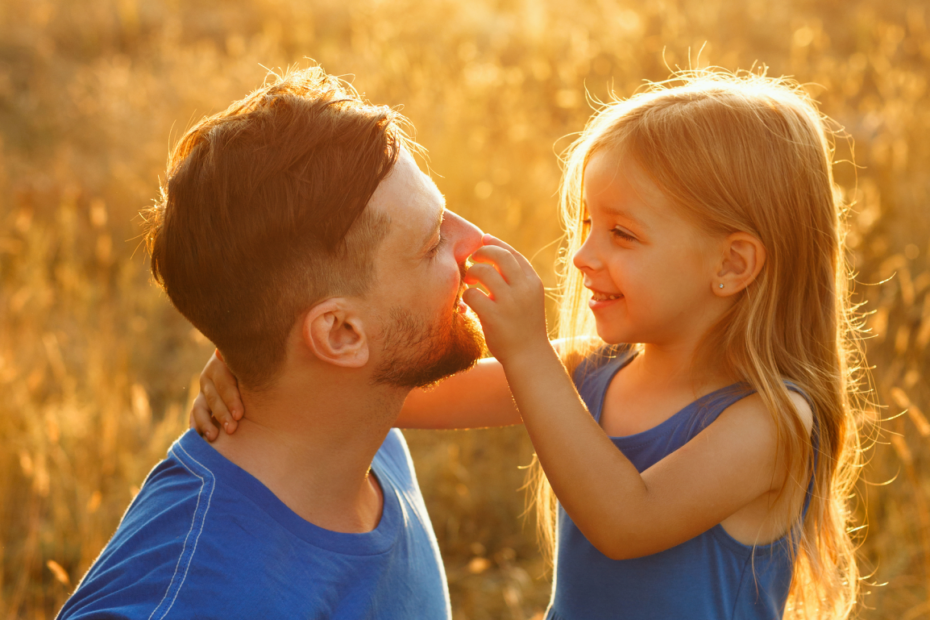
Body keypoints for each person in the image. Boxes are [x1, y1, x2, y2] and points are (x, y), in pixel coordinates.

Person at [196, 70, 865, 619]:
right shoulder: (591, 370)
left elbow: (626, 522)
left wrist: (526, 350)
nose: (582, 256)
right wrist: (262, 363)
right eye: (585, 224)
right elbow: (397, 396)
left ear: (731, 266)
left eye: (622, 235)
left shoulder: (772, 423)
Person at [57, 66, 487, 619]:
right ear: (340, 334)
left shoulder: (360, 414)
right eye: (432, 244)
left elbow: (577, 376)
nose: (474, 239)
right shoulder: (187, 601)